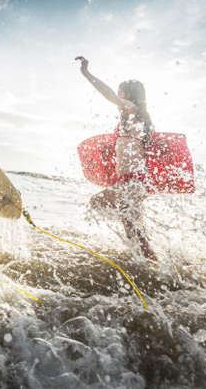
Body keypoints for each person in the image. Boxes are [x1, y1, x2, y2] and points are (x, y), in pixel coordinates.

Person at [75, 56, 158, 261]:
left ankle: (155, 269)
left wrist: (86, 73)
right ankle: (145, 266)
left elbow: (110, 96)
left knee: (103, 206)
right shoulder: (135, 119)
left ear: (128, 95)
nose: (119, 96)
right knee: (133, 230)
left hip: (133, 181)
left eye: (121, 92)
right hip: (131, 181)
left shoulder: (134, 110)